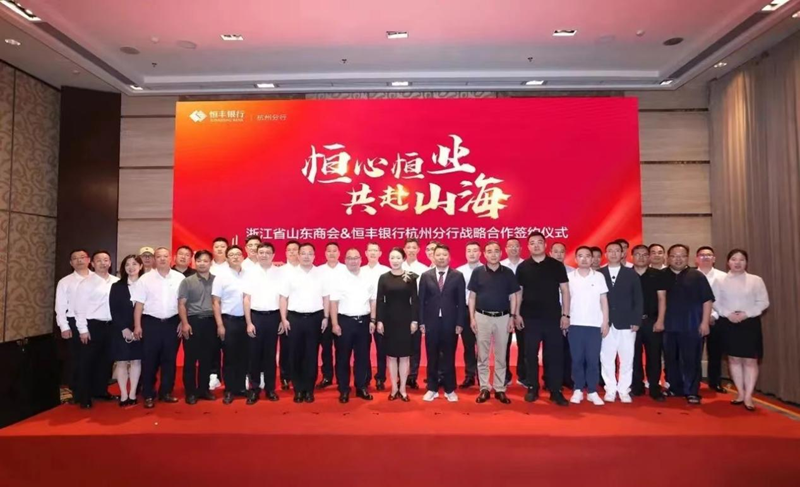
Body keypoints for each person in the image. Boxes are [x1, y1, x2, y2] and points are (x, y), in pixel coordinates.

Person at [514, 231, 570, 406]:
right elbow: (519, 292)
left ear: (545, 245)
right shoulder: (523, 267)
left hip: (553, 317)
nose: (536, 245)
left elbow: (565, 291)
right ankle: (532, 387)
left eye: (539, 242)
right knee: (530, 354)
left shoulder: (556, 265)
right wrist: (517, 314)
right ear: (528, 246)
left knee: (554, 354)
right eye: (532, 243)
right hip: (529, 318)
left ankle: (555, 390)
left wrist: (566, 315)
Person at [713, 249, 769, 411]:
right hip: (728, 322)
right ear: (728, 262)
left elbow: (763, 302)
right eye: (734, 259)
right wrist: (727, 314)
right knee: (734, 359)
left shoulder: (755, 280)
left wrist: (747, 314)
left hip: (749, 323)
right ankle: (740, 393)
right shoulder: (720, 280)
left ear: (746, 262)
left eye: (741, 259)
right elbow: (715, 301)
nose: (737, 263)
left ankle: (749, 396)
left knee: (750, 360)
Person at [132, 247, 186, 409]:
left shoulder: (179, 277)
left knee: (169, 359)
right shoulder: (145, 279)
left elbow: (184, 303)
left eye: (165, 256)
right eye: (159, 256)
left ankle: (166, 392)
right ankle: (148, 393)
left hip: (172, 323)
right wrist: (137, 325)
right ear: (155, 259)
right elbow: (139, 304)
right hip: (151, 323)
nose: (162, 259)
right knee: (149, 360)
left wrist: (182, 321)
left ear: (171, 258)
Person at [662, 244, 714, 405]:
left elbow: (707, 300)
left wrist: (705, 322)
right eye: (674, 256)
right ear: (668, 258)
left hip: (692, 325)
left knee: (691, 359)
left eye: (682, 256)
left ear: (688, 258)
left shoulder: (697, 276)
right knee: (671, 359)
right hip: (668, 326)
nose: (678, 259)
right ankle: (675, 388)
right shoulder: (662, 275)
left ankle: (691, 391)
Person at [468, 241, 519, 404]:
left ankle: (499, 388)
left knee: (501, 355)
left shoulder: (508, 273)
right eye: (489, 251)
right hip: (482, 317)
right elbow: (472, 297)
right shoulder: (477, 272)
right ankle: (484, 387)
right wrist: (472, 318)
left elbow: (514, 296)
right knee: (482, 355)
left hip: (503, 318)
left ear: (501, 253)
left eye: (496, 251)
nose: (493, 254)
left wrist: (512, 317)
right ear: (484, 254)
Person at [279, 243, 330, 403]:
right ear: (298, 255)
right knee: (295, 354)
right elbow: (283, 298)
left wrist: (326, 317)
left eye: (310, 253)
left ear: (314, 256)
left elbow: (326, 297)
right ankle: (298, 389)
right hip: (294, 318)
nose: (306, 256)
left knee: (311, 354)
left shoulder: (321, 274)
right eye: (303, 253)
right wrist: (283, 318)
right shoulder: (290, 275)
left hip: (315, 318)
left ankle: (309, 389)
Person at [73, 250, 120, 409]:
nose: (103, 263)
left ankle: (101, 391)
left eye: (106, 260)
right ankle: (84, 396)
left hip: (111, 326)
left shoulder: (116, 282)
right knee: (87, 362)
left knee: (106, 361)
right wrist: (83, 330)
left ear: (110, 263)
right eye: (99, 260)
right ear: (92, 263)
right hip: (92, 326)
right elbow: (79, 308)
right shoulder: (85, 283)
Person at [419, 244, 466, 402]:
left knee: (449, 356)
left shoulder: (457, 276)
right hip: (431, 322)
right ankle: (432, 388)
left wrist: (460, 323)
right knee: (432, 356)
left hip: (450, 322)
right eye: (438, 254)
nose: (441, 257)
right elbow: (421, 301)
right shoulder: (426, 276)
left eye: (444, 255)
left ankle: (450, 389)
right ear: (433, 257)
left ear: (449, 257)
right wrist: (422, 322)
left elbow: (461, 302)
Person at [599, 242, 643, 403]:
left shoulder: (631, 274)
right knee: (606, 358)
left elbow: (638, 299)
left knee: (627, 358)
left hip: (627, 323)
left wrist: (636, 320)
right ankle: (610, 389)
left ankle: (624, 389)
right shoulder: (599, 273)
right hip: (606, 323)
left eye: (617, 251)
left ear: (623, 253)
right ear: (605, 254)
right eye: (610, 251)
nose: (614, 254)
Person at [330, 248, 376, 403]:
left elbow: (373, 300)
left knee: (362, 357)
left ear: (361, 259)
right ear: (345, 260)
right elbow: (333, 303)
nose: (353, 261)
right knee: (342, 357)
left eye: (356, 258)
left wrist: (373, 320)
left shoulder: (368, 277)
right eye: (350, 258)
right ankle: (343, 388)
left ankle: (361, 387)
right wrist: (334, 323)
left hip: (364, 321)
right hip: (344, 322)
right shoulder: (338, 278)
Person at [566, 247, 609, 406]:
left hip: (594, 325)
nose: (584, 259)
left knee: (592, 359)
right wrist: (565, 319)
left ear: (592, 259)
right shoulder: (569, 277)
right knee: (577, 359)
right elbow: (565, 300)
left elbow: (604, 300)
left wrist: (605, 322)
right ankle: (578, 389)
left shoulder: (599, 277)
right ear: (575, 259)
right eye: (580, 256)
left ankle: (592, 391)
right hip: (575, 324)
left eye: (587, 256)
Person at [376, 247, 419, 402]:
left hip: (406, 320)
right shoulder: (383, 278)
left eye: (398, 258)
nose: (395, 261)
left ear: (403, 259)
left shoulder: (410, 277)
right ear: (388, 259)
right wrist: (379, 320)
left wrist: (414, 320)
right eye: (392, 258)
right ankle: (394, 388)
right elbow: (380, 300)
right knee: (392, 356)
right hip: (389, 320)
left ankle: (403, 389)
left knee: (405, 356)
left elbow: (415, 300)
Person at [243, 243, 283, 404]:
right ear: (256, 254)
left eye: (267, 252)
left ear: (273, 255)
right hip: (255, 317)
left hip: (274, 317)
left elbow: (283, 298)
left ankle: (270, 388)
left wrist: (282, 319)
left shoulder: (280, 273)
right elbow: (246, 299)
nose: (264, 255)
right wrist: (249, 322)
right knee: (254, 355)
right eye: (261, 252)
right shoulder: (249, 272)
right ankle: (254, 389)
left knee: (270, 355)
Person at [177, 250, 217, 405]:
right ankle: (190, 392)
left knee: (207, 358)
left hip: (211, 322)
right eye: (199, 261)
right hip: (193, 321)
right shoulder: (187, 281)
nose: (202, 263)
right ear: (194, 262)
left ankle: (204, 390)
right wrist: (185, 323)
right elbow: (181, 304)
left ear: (210, 263)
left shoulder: (216, 280)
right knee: (190, 359)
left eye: (205, 261)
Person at [55, 249, 93, 403]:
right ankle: (78, 393)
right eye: (75, 258)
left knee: (95, 357)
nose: (79, 260)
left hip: (95, 321)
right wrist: (64, 326)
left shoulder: (98, 279)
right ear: (71, 263)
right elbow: (60, 306)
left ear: (89, 260)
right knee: (78, 359)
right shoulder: (65, 282)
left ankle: (97, 389)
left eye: (82, 257)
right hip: (74, 322)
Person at [630, 245, 667, 402]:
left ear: (649, 257)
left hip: (652, 321)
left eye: (645, 254)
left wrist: (660, 320)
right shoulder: (626, 274)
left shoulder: (657, 275)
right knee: (634, 356)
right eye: (637, 254)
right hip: (632, 322)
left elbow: (662, 299)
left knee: (654, 356)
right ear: (632, 256)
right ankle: (636, 386)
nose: (641, 257)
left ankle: (654, 388)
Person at [212, 245, 248, 404]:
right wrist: (220, 325)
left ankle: (240, 387)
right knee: (230, 356)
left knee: (243, 356)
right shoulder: (221, 276)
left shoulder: (248, 275)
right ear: (227, 258)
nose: (235, 257)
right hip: (229, 320)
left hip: (246, 321)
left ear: (243, 257)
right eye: (231, 255)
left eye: (238, 254)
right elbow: (215, 302)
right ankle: (229, 389)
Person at [109, 255, 145, 407]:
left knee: (137, 361)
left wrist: (138, 327)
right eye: (127, 265)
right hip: (121, 329)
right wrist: (123, 328)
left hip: (141, 328)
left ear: (141, 266)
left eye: (134, 264)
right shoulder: (117, 286)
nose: (131, 267)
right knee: (122, 362)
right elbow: (114, 309)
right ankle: (124, 394)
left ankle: (133, 393)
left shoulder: (146, 284)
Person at [696, 246, 727, 393]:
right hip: (695, 319)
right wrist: (702, 317)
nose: (705, 258)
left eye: (709, 255)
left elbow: (726, 300)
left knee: (715, 353)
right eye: (702, 255)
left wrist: (712, 316)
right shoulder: (691, 275)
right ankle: (694, 381)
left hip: (717, 319)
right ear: (696, 259)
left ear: (714, 258)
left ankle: (715, 382)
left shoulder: (724, 277)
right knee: (695, 352)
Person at [316, 242, 346, 389]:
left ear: (339, 253)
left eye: (335, 251)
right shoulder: (318, 271)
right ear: (325, 253)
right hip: (324, 314)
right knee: (326, 347)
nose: (332, 253)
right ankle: (327, 376)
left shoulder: (346, 270)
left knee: (342, 348)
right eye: (329, 251)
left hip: (342, 313)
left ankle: (341, 377)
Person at [361, 242, 390, 390]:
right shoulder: (359, 271)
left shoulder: (386, 271)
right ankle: (365, 377)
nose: (372, 253)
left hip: (382, 314)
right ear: (365, 253)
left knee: (382, 348)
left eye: (375, 251)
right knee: (363, 348)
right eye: (370, 250)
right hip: (363, 312)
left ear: (380, 253)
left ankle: (380, 377)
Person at [402, 238, 428, 389]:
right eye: (408, 247)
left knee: (415, 345)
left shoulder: (424, 269)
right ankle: (401, 376)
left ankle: (412, 376)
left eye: (414, 247)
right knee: (400, 344)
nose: (411, 250)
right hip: (399, 311)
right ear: (404, 249)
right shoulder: (398, 266)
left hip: (416, 311)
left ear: (418, 250)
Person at [455, 241, 481, 389]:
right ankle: (470, 375)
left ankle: (483, 376)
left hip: (483, 311)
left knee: (483, 346)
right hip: (465, 311)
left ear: (480, 253)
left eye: (475, 250)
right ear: (465, 253)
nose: (472, 253)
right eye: (469, 251)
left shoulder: (486, 270)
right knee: (469, 345)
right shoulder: (459, 272)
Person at [501, 238, 527, 387]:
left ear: (521, 248)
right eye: (510, 246)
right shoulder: (501, 266)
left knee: (524, 344)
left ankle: (523, 375)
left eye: (516, 246)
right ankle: (504, 375)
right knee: (503, 344)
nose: (513, 248)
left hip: (524, 309)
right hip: (504, 309)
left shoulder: (526, 265)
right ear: (505, 249)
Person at [278, 239, 301, 390]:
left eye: (295, 249)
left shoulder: (305, 269)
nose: (292, 252)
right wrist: (282, 317)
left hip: (299, 314)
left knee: (299, 347)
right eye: (289, 250)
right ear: (286, 253)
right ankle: (285, 376)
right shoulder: (280, 271)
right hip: (283, 314)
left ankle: (297, 375)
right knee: (285, 347)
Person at [208, 237, 229, 391]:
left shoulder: (234, 267)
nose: (220, 249)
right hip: (210, 313)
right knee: (213, 346)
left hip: (229, 313)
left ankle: (231, 377)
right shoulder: (208, 266)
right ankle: (214, 376)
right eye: (217, 246)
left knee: (230, 347)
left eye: (223, 246)